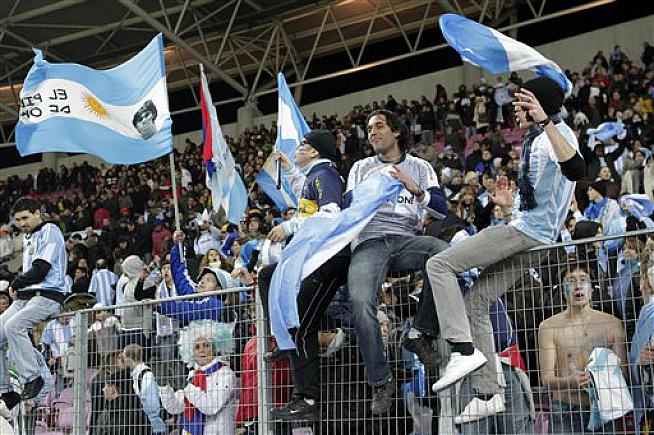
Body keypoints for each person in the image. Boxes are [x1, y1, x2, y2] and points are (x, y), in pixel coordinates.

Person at [427, 77, 586, 421]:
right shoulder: (538, 138)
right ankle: (489, 393)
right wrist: (511, 205)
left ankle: (462, 350)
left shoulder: (555, 134)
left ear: (539, 106)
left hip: (526, 234)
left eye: (522, 102)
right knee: (477, 302)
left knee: (438, 265)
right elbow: (547, 198)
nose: (515, 108)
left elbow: (577, 169)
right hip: (533, 234)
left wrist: (545, 121)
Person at [346, 109, 449, 413]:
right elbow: (348, 207)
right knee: (360, 302)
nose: (372, 132)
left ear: (397, 132)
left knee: (444, 254)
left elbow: (441, 208)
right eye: (369, 128)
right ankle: (381, 381)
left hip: (406, 239)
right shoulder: (361, 168)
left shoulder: (419, 167)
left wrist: (413, 188)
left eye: (379, 126)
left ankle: (420, 333)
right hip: (370, 243)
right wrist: (373, 194)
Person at [258, 129, 348, 421]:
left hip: (328, 259)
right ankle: (283, 338)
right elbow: (307, 198)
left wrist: (289, 226)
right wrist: (288, 170)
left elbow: (330, 212)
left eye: (301, 145)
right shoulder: (316, 176)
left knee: (302, 327)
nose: (296, 149)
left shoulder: (325, 175)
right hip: (316, 259)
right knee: (268, 276)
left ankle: (307, 399)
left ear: (314, 151)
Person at [538, 267, 628, 433]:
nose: (578, 286)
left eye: (583, 280)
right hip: (565, 410)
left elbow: (624, 374)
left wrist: (600, 378)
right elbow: (547, 379)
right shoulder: (548, 328)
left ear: (592, 289)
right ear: (563, 291)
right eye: (570, 281)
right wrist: (571, 381)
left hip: (604, 408)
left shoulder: (612, 324)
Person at [0, 198, 67, 413]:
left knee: (13, 326)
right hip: (26, 297)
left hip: (48, 296)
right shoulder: (28, 236)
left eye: (25, 218)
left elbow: (40, 270)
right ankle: (5, 391)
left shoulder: (50, 230)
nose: (22, 223)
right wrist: (19, 286)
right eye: (18, 220)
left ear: (38, 213)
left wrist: (16, 282)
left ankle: (32, 378)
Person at [159, 320, 238, 435]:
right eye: (197, 347)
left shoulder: (226, 374)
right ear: (191, 353)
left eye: (206, 345)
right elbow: (175, 407)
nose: (202, 350)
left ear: (215, 348)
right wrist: (164, 387)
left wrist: (187, 387)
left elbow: (212, 407)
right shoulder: (193, 376)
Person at [121, 344, 167, 434]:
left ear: (129, 358)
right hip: (146, 424)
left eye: (124, 357)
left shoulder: (146, 375)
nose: (123, 360)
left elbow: (152, 404)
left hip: (154, 426)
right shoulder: (137, 375)